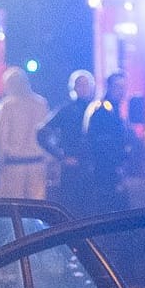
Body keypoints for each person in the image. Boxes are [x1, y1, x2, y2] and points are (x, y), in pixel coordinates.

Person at [37, 70, 98, 212]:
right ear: (74, 88)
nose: (83, 88)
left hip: (93, 167)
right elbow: (41, 133)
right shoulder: (66, 110)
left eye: (86, 85)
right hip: (73, 168)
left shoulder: (98, 110)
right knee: (71, 208)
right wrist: (61, 156)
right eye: (80, 85)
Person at [0, 67, 49, 199]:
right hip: (37, 163)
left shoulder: (7, 106)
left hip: (14, 164)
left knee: (16, 207)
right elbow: (47, 135)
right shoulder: (41, 103)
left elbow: (0, 138)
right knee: (37, 207)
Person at [81, 72, 132, 213]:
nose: (121, 91)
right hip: (104, 169)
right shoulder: (102, 110)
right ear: (108, 87)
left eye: (123, 87)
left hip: (112, 168)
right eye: (117, 87)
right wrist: (115, 163)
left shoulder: (115, 109)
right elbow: (99, 142)